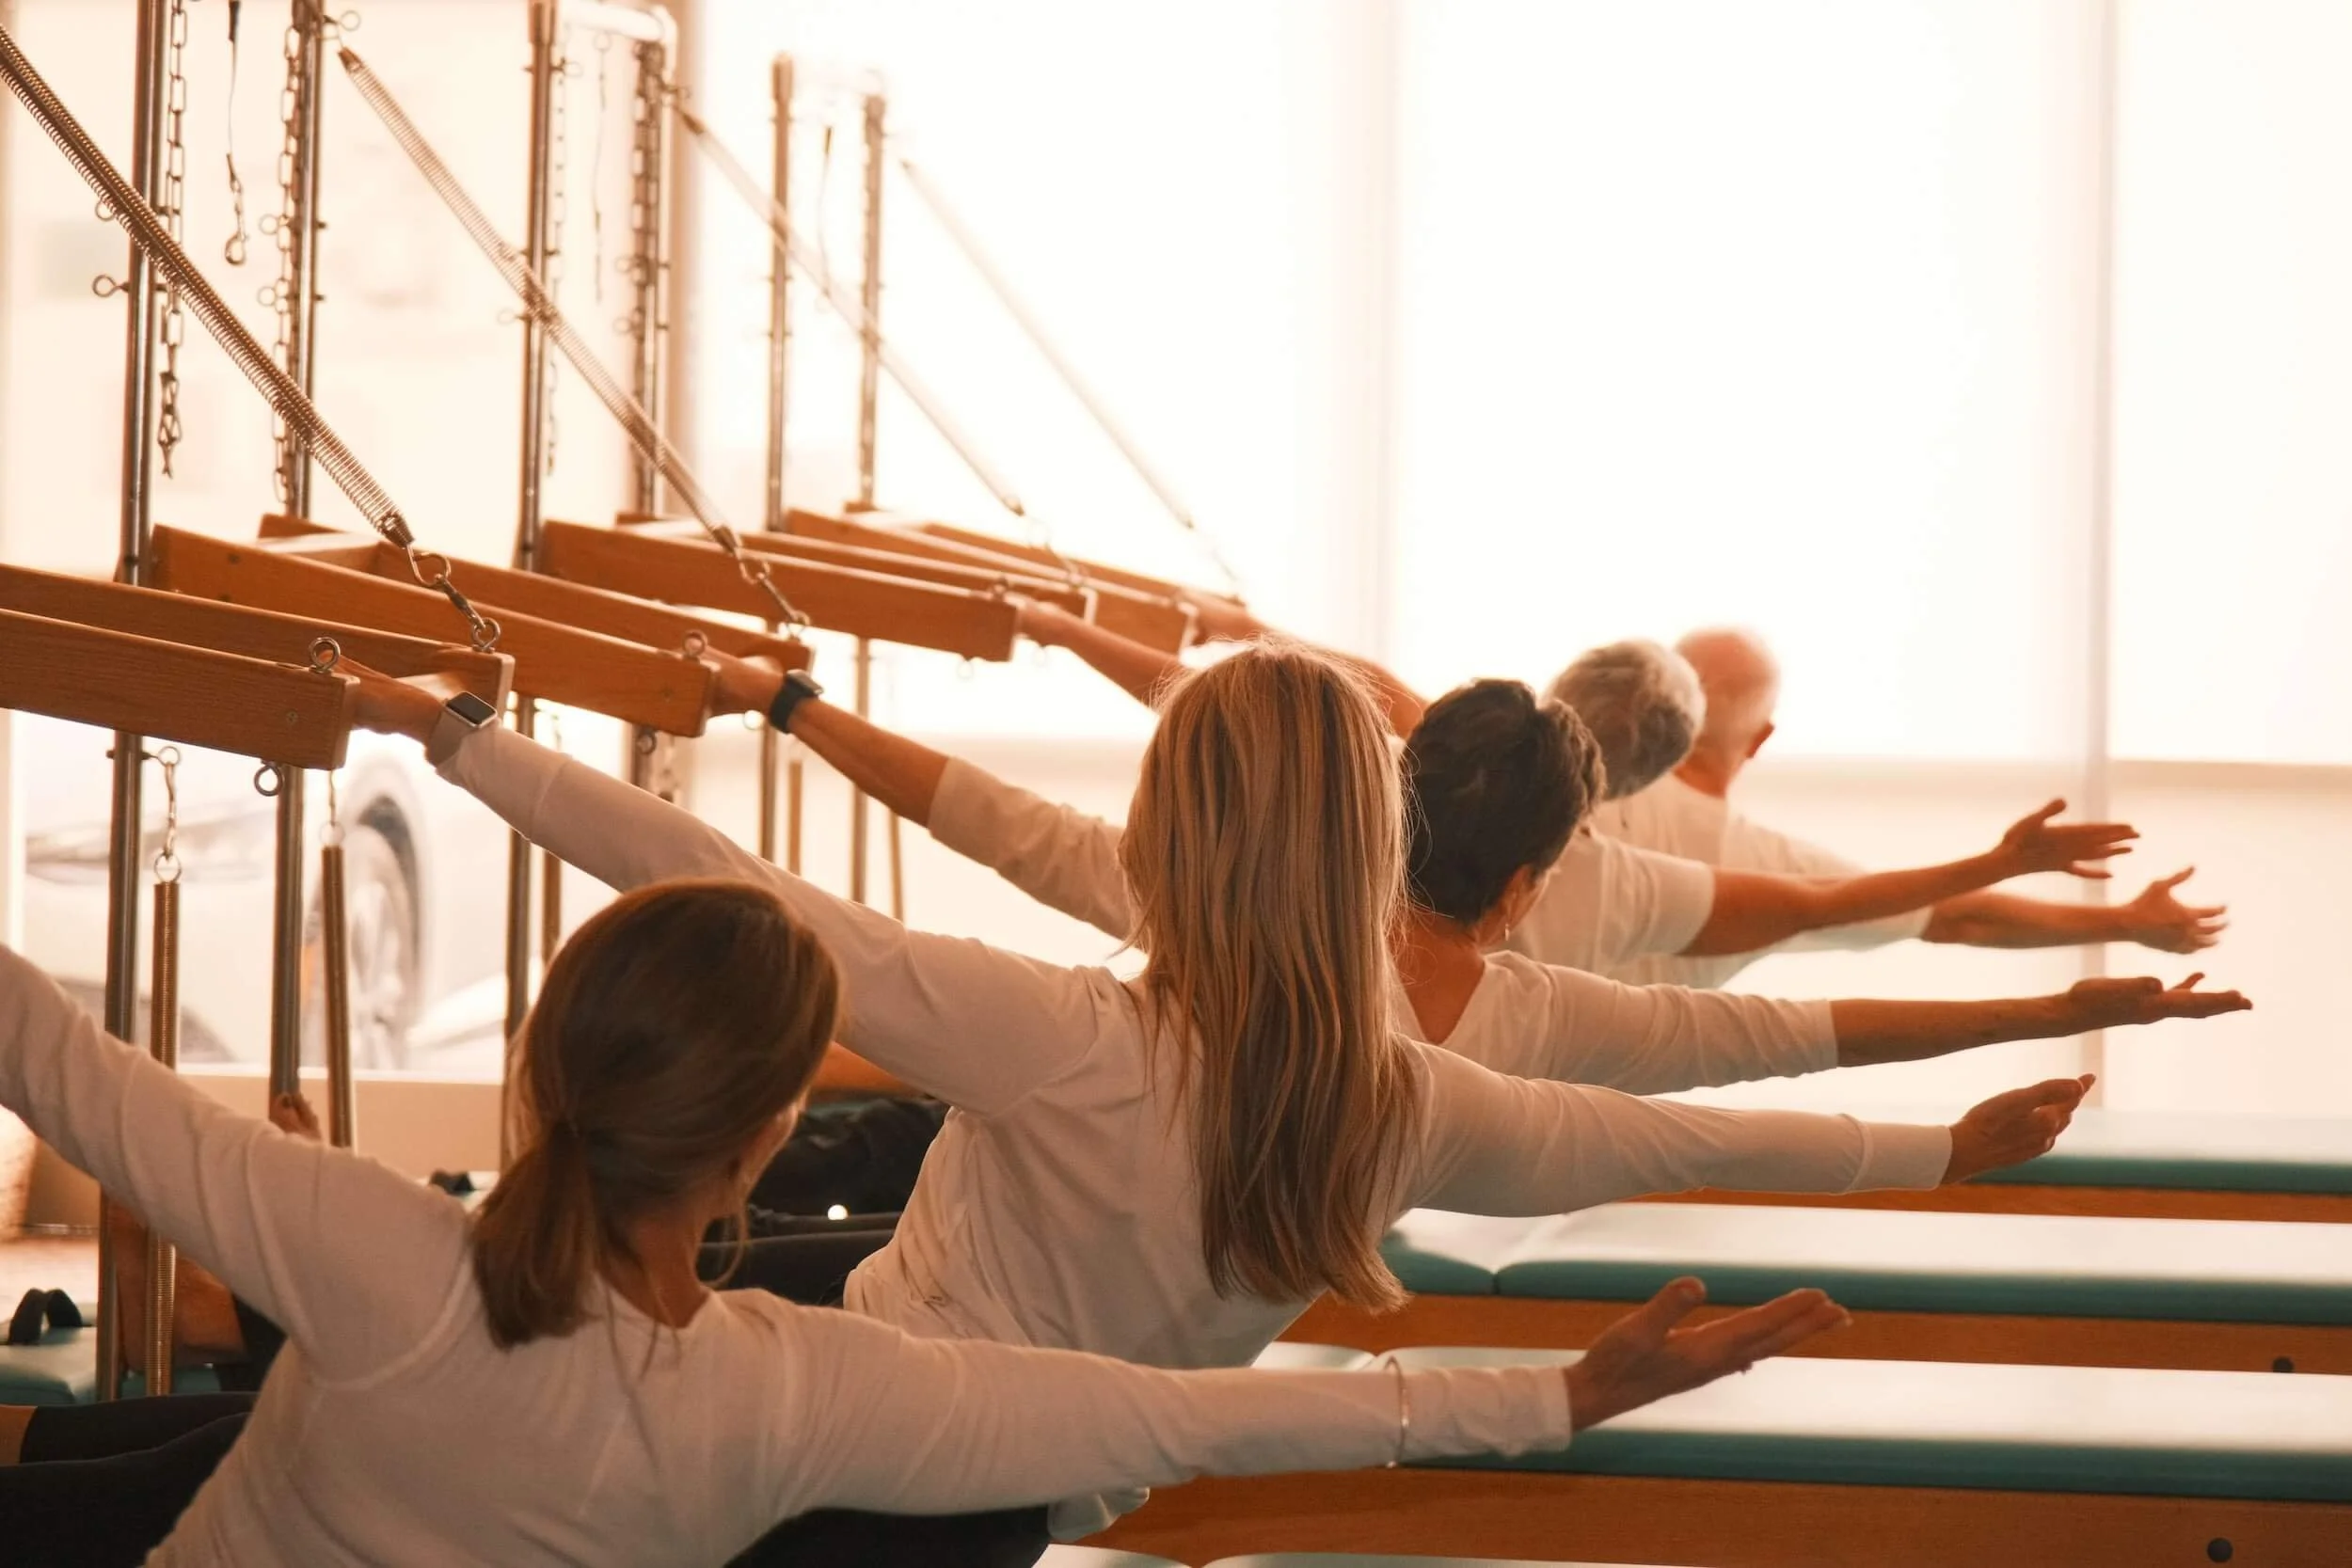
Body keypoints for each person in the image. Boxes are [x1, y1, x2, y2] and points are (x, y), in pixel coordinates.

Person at [349, 643, 2101, 1542]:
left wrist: (453, 737)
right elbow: (1687, 1118)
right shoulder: (1402, 1100)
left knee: (458, 1400)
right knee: (514, 1324)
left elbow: (718, 880)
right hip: (1008, 1483)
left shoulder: (1072, 1034)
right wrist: (1939, 1149)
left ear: (1170, 836)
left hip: (877, 1440)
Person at [4, 879, 1859, 1568]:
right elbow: (1183, 1420)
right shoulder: (796, 1393)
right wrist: (1548, 1397)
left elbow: (56, 1057)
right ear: (766, 1136)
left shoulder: (360, 1241)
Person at [759, 661, 2246, 1097]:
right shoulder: (1589, 929)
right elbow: (1821, 973)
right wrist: (2073, 959)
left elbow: (1022, 810)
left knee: (944, 1042)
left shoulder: (1281, 844)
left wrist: (797, 710)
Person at [1017, 600, 2146, 980]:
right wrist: (2111, 921)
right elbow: (1939, 914)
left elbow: (1239, 701)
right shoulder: (1717, 865)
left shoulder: (1464, 763)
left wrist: (1074, 633)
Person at [1596, 627, 2229, 988]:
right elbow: (1958, 919)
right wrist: (2124, 920)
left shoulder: (1564, 803)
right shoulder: (1772, 864)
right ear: (1761, 739)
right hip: (1598, 1125)